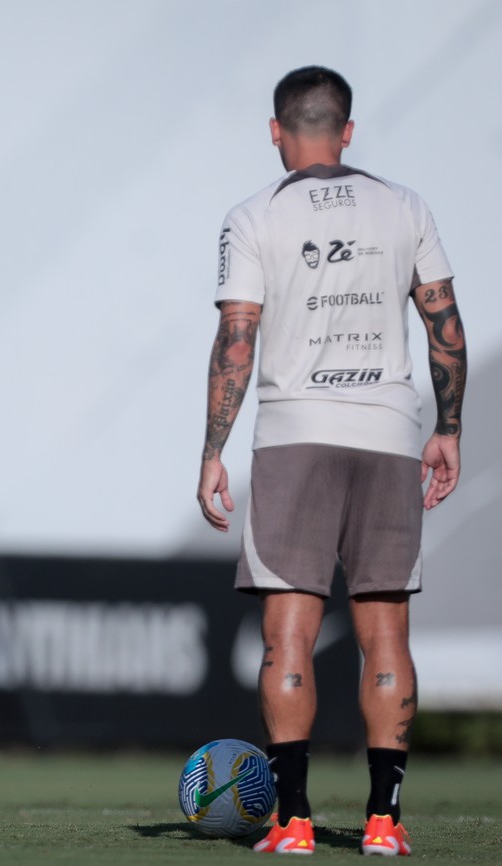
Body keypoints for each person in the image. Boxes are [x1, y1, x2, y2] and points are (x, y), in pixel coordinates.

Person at [197, 67, 466, 857]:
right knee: (387, 635)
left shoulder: (254, 215)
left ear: (276, 132)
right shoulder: (405, 204)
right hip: (388, 434)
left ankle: (295, 821)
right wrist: (448, 425)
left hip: (294, 438)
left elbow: (235, 340)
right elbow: (446, 327)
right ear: (347, 131)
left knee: (289, 637)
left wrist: (212, 448)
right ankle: (384, 822)